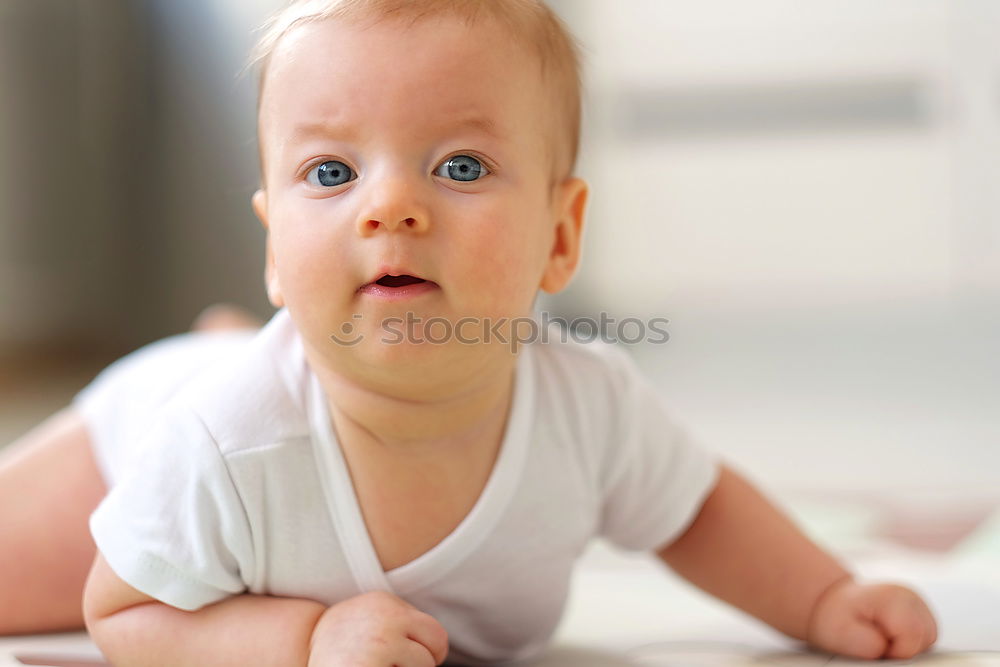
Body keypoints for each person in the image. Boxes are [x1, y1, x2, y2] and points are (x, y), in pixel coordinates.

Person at [0, 1, 937, 665]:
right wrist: (302, 639)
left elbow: (696, 507)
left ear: (559, 237)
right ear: (275, 252)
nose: (391, 206)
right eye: (331, 173)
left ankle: (234, 330)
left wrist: (823, 596)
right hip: (144, 431)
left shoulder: (586, 404)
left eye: (459, 164)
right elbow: (123, 608)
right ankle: (223, 342)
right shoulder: (221, 440)